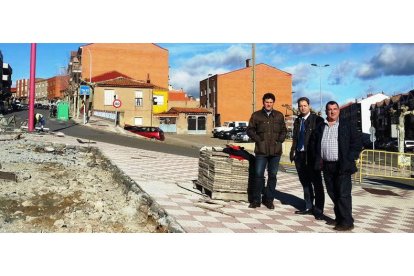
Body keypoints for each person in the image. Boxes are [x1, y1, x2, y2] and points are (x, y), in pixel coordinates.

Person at [313, 101, 362, 231]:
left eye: (335, 109)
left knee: (343, 194)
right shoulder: (320, 126)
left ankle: (347, 222)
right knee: (332, 192)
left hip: (342, 165)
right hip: (326, 165)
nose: (332, 112)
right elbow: (314, 143)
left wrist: (350, 158)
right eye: (329, 109)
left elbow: (357, 143)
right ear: (326, 111)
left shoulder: (347, 125)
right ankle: (340, 218)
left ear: (339, 110)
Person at [246, 92, 287, 209]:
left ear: (273, 103)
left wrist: (280, 141)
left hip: (275, 152)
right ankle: (256, 200)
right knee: (258, 175)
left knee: (272, 175)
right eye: (266, 102)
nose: (268, 104)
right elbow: (249, 130)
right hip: (261, 151)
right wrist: (258, 140)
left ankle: (269, 199)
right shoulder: (256, 115)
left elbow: (284, 130)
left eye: (270, 102)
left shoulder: (279, 115)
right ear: (263, 102)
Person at [289, 97, 325, 219]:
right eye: (300, 106)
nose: (302, 108)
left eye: (304, 105)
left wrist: (319, 156)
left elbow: (320, 139)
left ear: (309, 106)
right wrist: (293, 152)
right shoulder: (297, 120)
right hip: (299, 155)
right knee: (305, 183)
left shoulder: (317, 120)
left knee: (317, 184)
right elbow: (295, 138)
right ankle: (309, 206)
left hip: (312, 156)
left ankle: (319, 210)